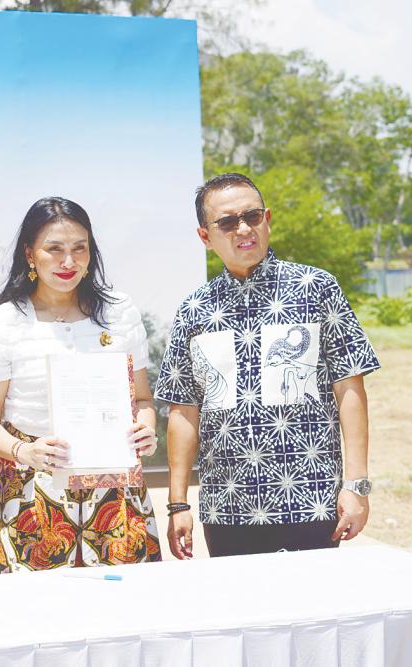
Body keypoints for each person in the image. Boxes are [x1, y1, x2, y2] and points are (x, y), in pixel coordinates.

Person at [155, 172, 380, 559]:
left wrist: (356, 485)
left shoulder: (316, 288)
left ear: (268, 219)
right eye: (227, 222)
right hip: (226, 508)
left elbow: (349, 388)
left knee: (318, 617)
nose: (243, 228)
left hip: (312, 499)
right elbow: (183, 411)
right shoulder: (194, 310)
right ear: (205, 237)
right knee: (244, 617)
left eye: (252, 216)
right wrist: (178, 504)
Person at [0, 196, 162, 574]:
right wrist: (24, 451)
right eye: (54, 249)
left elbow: (142, 400)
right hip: (27, 493)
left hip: (115, 493)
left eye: (79, 249)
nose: (68, 262)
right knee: (32, 620)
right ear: (30, 254)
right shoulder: (1, 321)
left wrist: (147, 431)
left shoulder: (119, 313)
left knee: (122, 618)